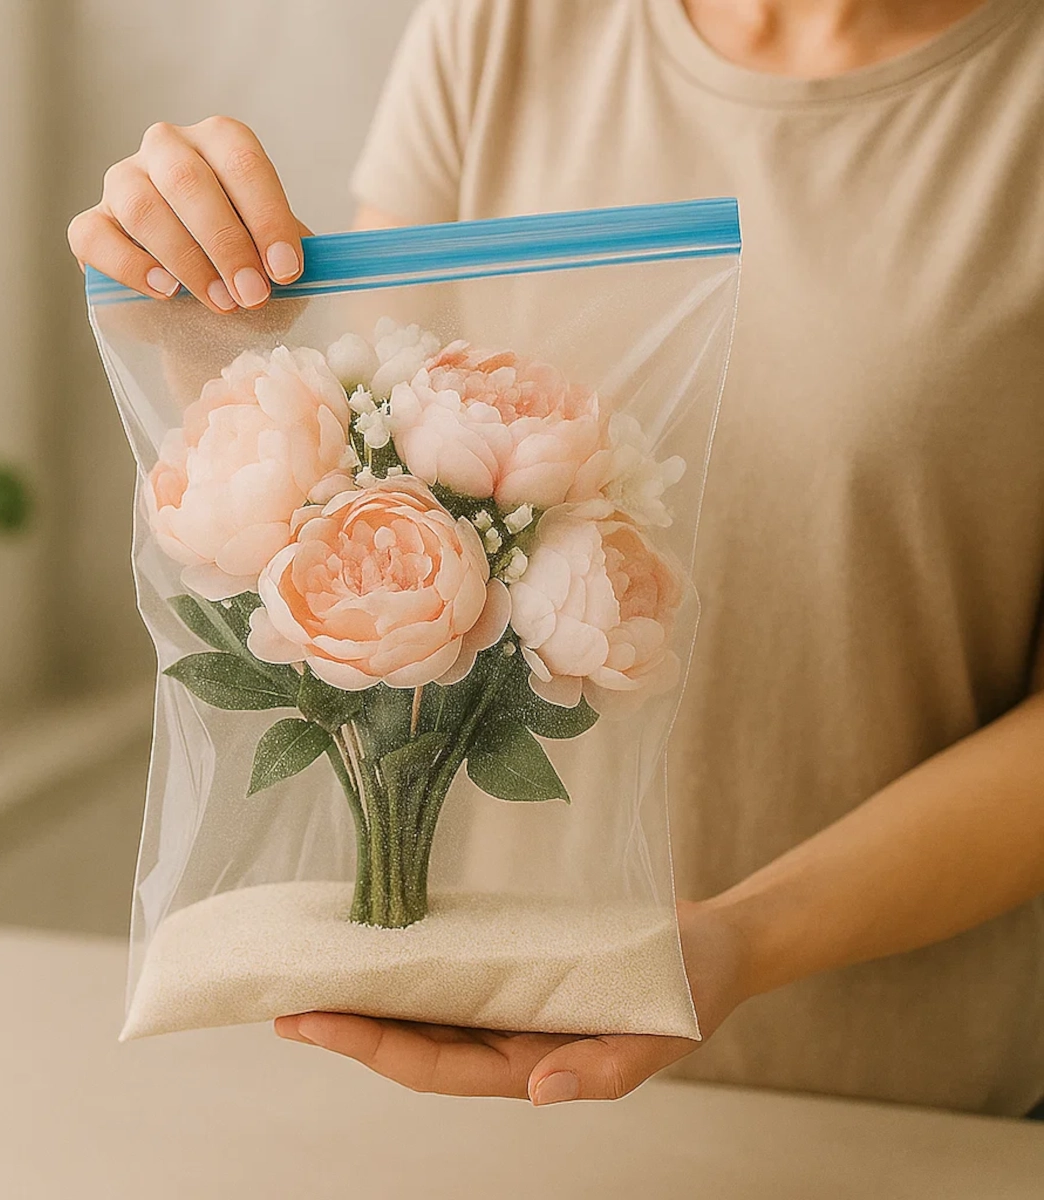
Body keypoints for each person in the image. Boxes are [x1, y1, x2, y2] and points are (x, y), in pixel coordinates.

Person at [68, 0, 1044, 1116]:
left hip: (901, 1104)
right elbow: (362, 488)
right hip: (476, 1050)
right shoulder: (501, 29)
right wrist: (203, 319)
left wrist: (737, 939)